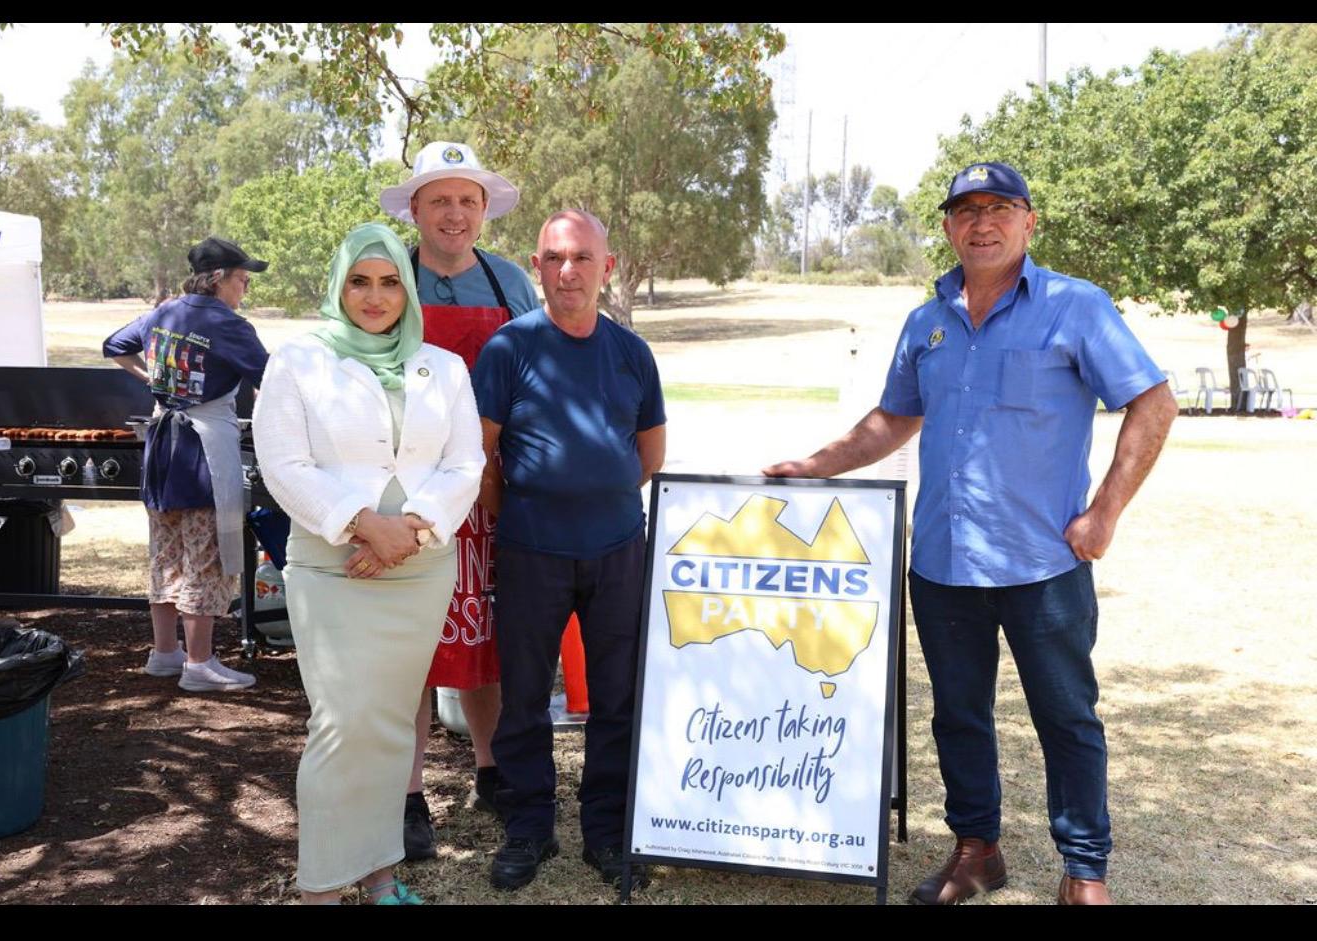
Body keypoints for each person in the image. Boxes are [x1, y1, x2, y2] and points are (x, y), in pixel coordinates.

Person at [765, 162, 1178, 905]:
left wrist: (1105, 512)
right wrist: (816, 465)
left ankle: (1085, 870)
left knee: (1067, 718)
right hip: (943, 563)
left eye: (999, 208)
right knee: (958, 716)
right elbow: (894, 418)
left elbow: (1153, 401)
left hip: (1045, 564)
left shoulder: (1075, 306)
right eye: (966, 211)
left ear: (1029, 220)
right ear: (949, 227)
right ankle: (976, 851)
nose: (982, 223)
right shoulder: (925, 322)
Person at [252, 222, 484, 904]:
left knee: (389, 723)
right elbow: (284, 464)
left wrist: (409, 530)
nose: (374, 296)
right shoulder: (297, 361)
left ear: (407, 290)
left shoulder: (444, 367)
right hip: (333, 565)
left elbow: (465, 462)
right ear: (338, 286)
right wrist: (364, 525)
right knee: (341, 723)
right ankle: (322, 888)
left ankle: (380, 875)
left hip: (418, 567)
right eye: (359, 281)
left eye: (389, 283)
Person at [473, 210, 665, 891]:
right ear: (538, 267)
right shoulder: (508, 349)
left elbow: (649, 457)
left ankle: (607, 831)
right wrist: (535, 510)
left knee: (616, 695)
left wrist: (594, 497)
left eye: (582, 257)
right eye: (554, 258)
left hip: (618, 550)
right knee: (524, 696)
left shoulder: (632, 354)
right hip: (531, 551)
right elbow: (482, 458)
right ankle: (529, 826)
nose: (568, 270)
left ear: (606, 267)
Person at [379, 140, 538, 859]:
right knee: (411, 641)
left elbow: (537, 378)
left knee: (487, 635)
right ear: (415, 209)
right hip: (407, 491)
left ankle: (492, 770)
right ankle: (408, 793)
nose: (454, 213)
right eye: (439, 199)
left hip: (493, 489)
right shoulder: (389, 277)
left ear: (484, 210)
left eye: (467, 200)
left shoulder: (511, 283)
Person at [103, 237, 269, 693]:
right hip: (202, 452)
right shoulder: (229, 325)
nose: (245, 288)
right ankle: (199, 664)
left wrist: (151, 379)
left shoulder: (164, 313)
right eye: (242, 279)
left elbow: (114, 345)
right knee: (205, 555)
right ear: (218, 279)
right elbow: (270, 378)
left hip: (162, 447)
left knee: (166, 553)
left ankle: (165, 653)